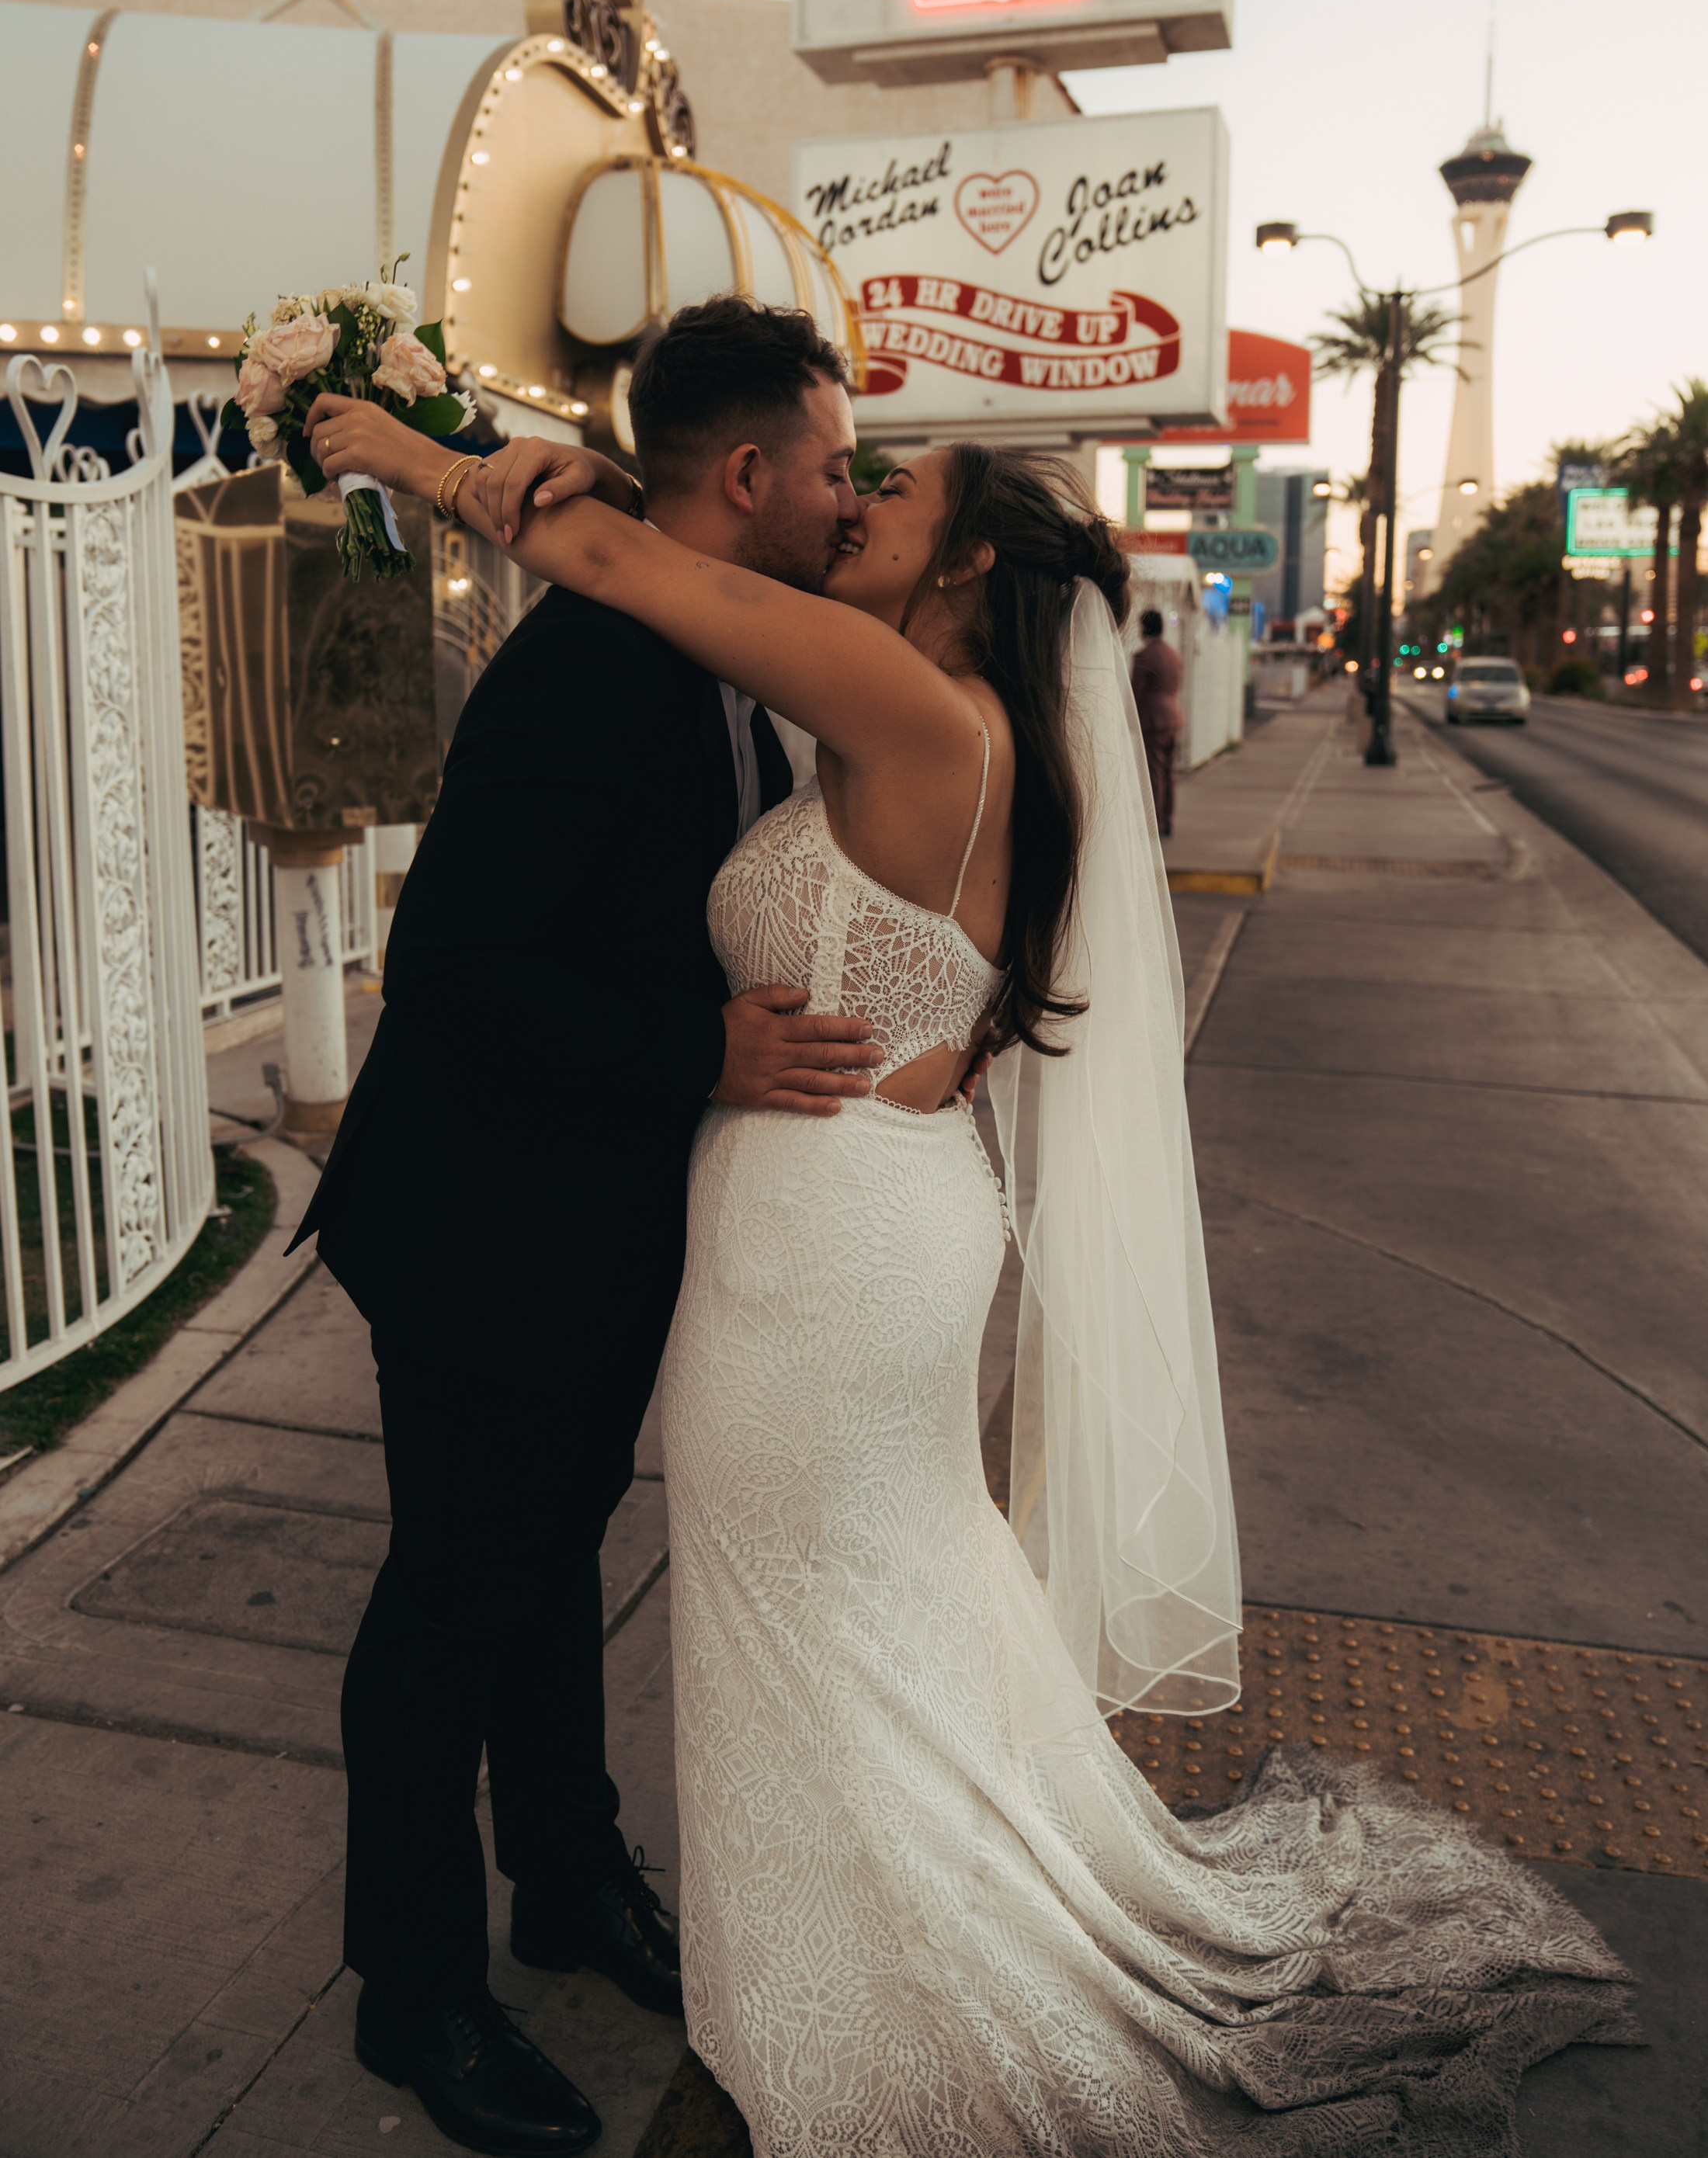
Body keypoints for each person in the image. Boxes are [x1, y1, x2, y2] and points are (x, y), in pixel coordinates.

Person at [316, 379, 1633, 2156]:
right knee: (873, 1598)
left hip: (831, 1248)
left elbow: (640, 558)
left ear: (974, 562)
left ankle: (869, 1975)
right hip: (870, 1215)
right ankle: (752, 1913)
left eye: (899, 492)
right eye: (848, 471)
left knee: (817, 1617)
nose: (859, 502)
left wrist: (409, 453)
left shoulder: (908, 707)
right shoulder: (968, 728)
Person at [290, 300, 885, 2157]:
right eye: (836, 466)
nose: (848, 499)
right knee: (452, 1605)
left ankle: (562, 1874)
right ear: (747, 474)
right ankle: (415, 1992)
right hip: (481, 1226)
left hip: (594, 1217)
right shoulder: (584, 675)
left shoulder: (708, 652)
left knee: (552, 1566)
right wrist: (696, 1044)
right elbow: (453, 962)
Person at [1130, 603, 1184, 835]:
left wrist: (1130, 721)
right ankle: (1168, 819)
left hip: (1153, 719)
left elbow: (1136, 693)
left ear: (1145, 628)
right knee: (1168, 772)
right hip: (1173, 715)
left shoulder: (1144, 655)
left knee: (1154, 772)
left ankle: (1157, 823)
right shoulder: (1173, 654)